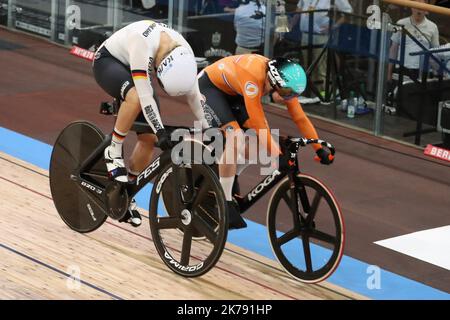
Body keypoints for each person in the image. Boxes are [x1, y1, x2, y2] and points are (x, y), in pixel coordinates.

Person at [189, 54, 334, 229]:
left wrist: (319, 148)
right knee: (236, 138)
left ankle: (228, 176)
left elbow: (300, 118)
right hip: (208, 88)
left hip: (234, 93)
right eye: (286, 94)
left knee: (254, 147)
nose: (288, 98)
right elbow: (258, 122)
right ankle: (224, 201)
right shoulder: (253, 77)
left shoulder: (283, 82)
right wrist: (277, 154)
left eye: (292, 95)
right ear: (273, 82)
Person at [92, 20, 208, 227]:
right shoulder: (142, 43)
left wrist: (209, 128)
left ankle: (126, 192)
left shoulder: (184, 53)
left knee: (149, 138)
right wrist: (162, 130)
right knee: (136, 98)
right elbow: (145, 97)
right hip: (109, 62)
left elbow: (194, 96)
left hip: (141, 69)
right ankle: (113, 148)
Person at [387, 0, 440, 114]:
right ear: (411, 7)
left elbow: (436, 53)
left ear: (426, 9)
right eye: (416, 6)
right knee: (398, 104)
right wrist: (389, 73)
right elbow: (393, 49)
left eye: (422, 6)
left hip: (420, 73)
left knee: (415, 107)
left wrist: (438, 74)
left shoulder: (432, 27)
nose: (419, 9)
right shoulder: (401, 23)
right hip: (401, 70)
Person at [290, 0, 352, 94]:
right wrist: (290, 25)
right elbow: (299, 9)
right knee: (308, 67)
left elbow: (348, 12)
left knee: (321, 68)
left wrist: (333, 26)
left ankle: (324, 94)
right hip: (305, 34)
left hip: (321, 36)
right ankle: (312, 94)